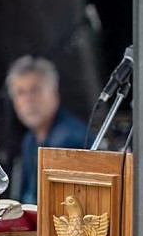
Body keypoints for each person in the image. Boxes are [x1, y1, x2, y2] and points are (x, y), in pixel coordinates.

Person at [6, 56, 86, 204]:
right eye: (20, 92)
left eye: (34, 90)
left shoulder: (69, 140)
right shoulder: (30, 138)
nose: (28, 100)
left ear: (54, 94)